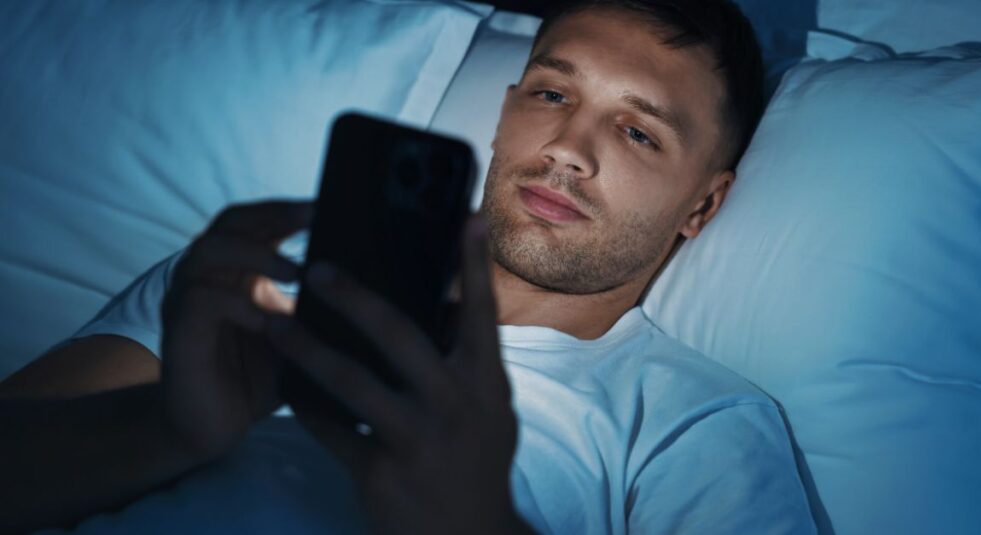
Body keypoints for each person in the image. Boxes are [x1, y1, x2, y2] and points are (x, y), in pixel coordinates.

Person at [0, 0, 817, 533]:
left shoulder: (693, 422)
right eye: (551, 95)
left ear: (702, 206)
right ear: (503, 115)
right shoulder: (259, 276)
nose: (569, 150)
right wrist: (166, 427)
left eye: (638, 133)